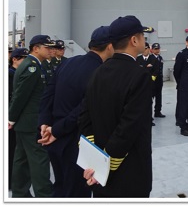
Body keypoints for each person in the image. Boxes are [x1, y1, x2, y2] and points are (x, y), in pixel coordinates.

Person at [79, 15, 154, 197]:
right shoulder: (139, 76)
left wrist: (96, 162)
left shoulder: (98, 72)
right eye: (143, 35)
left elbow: (84, 117)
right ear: (134, 40)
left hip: (100, 173)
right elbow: (129, 128)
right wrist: (106, 165)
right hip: (130, 173)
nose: (145, 39)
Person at [37, 26, 114, 197]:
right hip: (77, 144)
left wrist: (45, 123)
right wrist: (56, 130)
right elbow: (83, 108)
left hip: (54, 140)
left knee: (60, 187)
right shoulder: (101, 72)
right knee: (77, 192)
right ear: (110, 46)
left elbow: (48, 95)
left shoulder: (68, 63)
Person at [8, 35, 54, 197]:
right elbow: (20, 95)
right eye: (47, 47)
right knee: (39, 159)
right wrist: (11, 118)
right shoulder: (31, 67)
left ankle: (20, 193)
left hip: (25, 122)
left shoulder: (35, 64)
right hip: (30, 122)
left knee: (21, 159)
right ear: (36, 48)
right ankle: (44, 194)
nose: (50, 50)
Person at [8, 47, 28, 190]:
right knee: (10, 151)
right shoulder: (9, 75)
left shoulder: (18, 74)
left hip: (17, 118)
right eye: (23, 58)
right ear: (15, 59)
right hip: (11, 119)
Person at [137, 42, 160, 126]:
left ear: (148, 49)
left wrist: (151, 80)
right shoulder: (138, 59)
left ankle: (149, 119)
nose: (144, 50)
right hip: (140, 85)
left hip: (150, 84)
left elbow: (156, 70)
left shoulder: (153, 59)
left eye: (146, 48)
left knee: (149, 102)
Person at [151, 43, 166, 118]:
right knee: (151, 97)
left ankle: (157, 111)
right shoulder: (150, 58)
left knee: (159, 96)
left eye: (158, 49)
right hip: (152, 81)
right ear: (152, 50)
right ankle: (149, 114)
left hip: (159, 80)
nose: (157, 50)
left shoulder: (160, 58)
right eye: (155, 49)